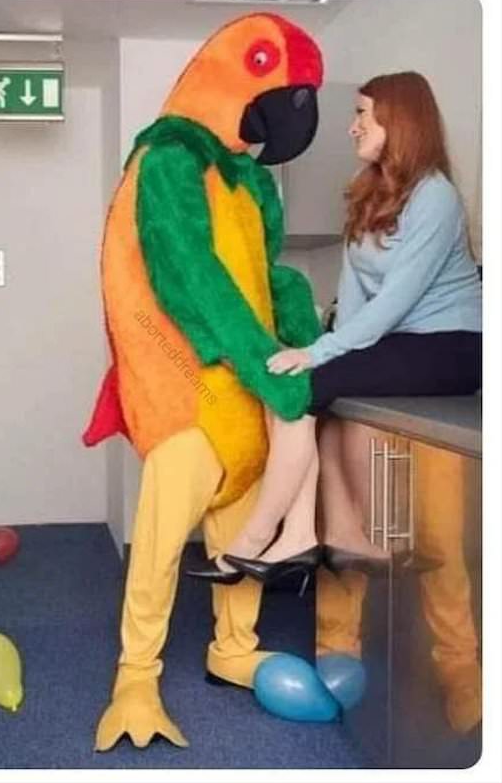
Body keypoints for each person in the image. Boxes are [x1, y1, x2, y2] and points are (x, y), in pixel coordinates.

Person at [190, 70, 482, 584]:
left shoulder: (435, 196)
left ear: (399, 120)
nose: (352, 127)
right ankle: (331, 536)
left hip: (452, 346)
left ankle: (257, 540)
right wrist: (323, 350)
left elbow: (394, 300)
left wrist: (320, 354)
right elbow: (354, 295)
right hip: (399, 341)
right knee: (302, 392)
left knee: (302, 385)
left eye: (362, 113)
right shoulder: (368, 193)